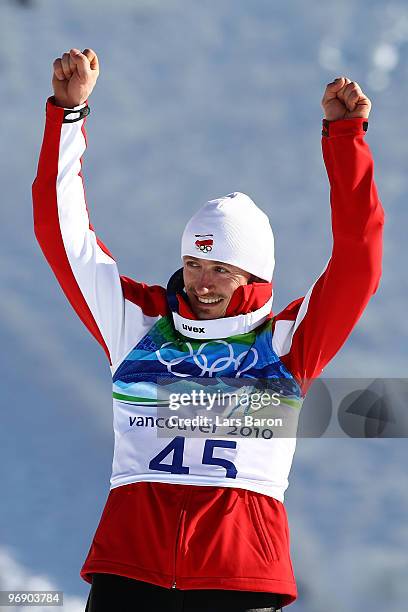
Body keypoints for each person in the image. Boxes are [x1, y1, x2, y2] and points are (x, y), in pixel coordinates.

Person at [32, 48, 384, 611]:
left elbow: (358, 264)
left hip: (238, 581)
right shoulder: (139, 324)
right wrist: (67, 117)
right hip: (130, 575)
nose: (203, 282)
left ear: (254, 274)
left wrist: (346, 140)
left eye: (221, 267)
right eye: (194, 264)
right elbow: (62, 235)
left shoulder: (285, 343)